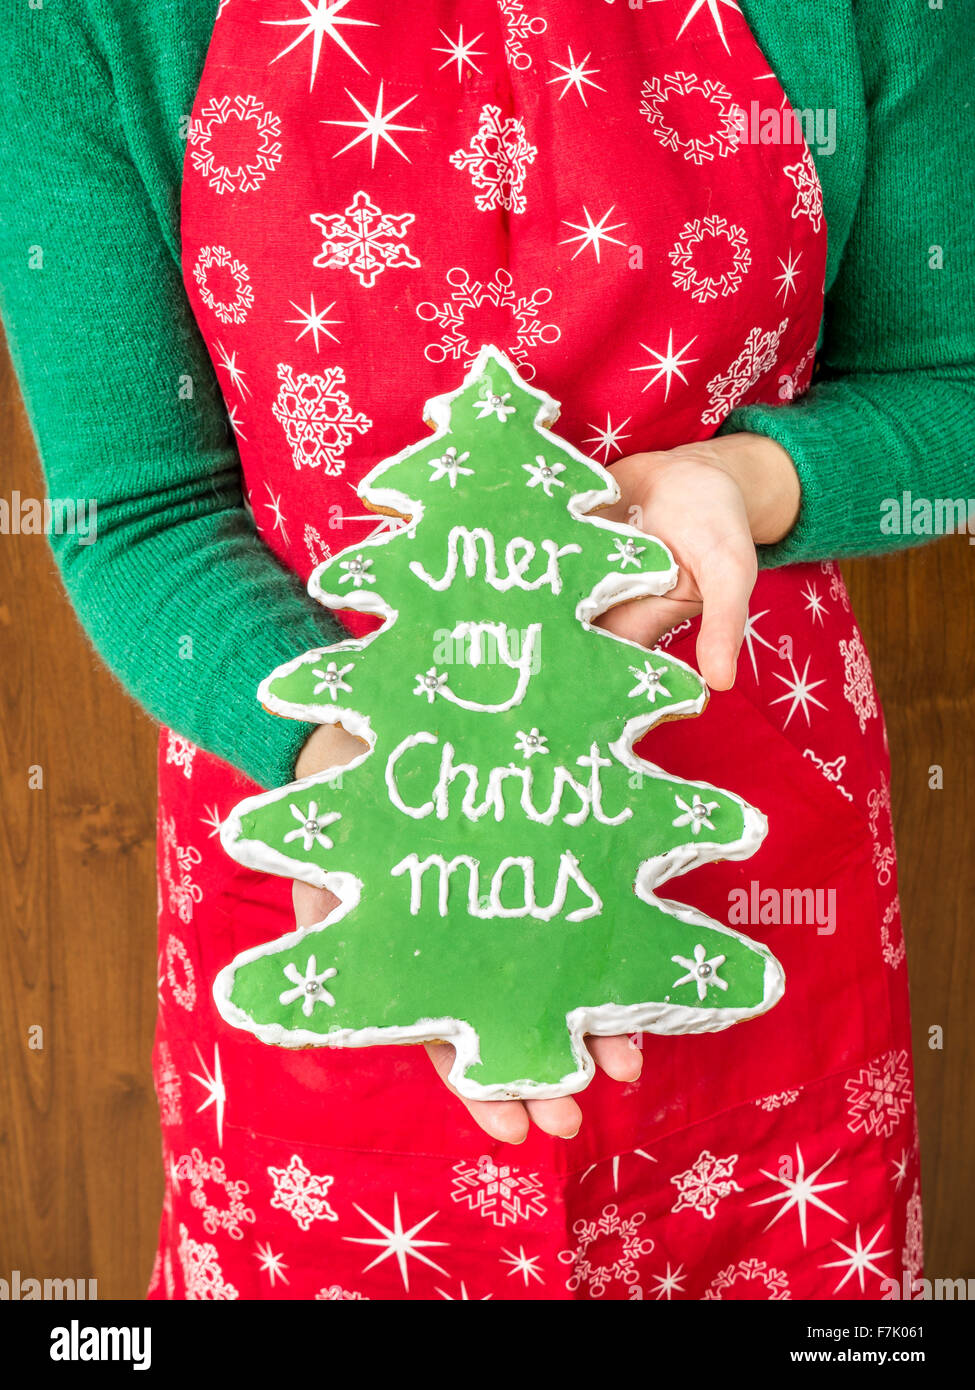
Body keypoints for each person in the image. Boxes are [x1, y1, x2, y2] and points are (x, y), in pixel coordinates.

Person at [2, 1, 972, 1302]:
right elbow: (136, 510)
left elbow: (954, 377)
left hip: (758, 859)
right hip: (325, 844)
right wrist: (352, 772)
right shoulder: (89, 21)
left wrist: (753, 479)